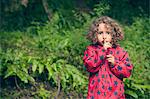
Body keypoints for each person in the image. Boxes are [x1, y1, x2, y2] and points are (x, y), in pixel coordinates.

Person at [83, 16, 133, 99]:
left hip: (115, 94)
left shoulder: (120, 52)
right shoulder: (91, 50)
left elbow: (127, 71)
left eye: (108, 33)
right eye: (100, 33)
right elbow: (90, 66)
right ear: (94, 34)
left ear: (114, 34)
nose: (104, 36)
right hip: (97, 94)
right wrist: (103, 51)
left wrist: (115, 63)